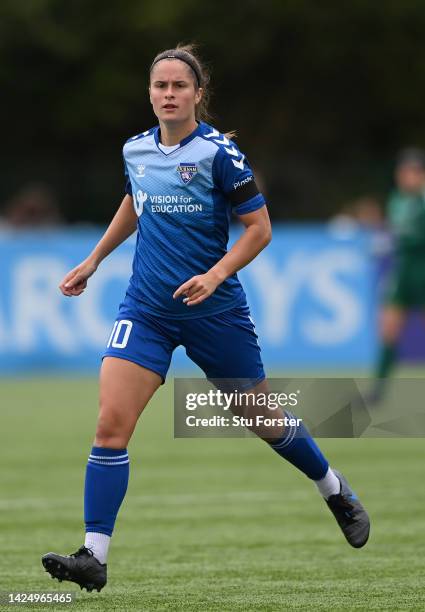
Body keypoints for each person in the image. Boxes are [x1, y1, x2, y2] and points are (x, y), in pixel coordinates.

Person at [41, 44, 369, 593]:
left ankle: (333, 489)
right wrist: (95, 260)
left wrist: (216, 275)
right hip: (146, 310)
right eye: (160, 86)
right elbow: (134, 201)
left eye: (179, 86)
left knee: (262, 417)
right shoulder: (136, 150)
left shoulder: (220, 155)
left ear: (197, 94)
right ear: (149, 93)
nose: (168, 95)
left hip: (213, 311)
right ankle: (93, 555)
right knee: (109, 424)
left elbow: (259, 228)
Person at [370, 148, 425, 402]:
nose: (406, 177)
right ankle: (378, 391)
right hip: (403, 271)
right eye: (403, 171)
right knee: (389, 327)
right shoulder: (397, 200)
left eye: (412, 172)